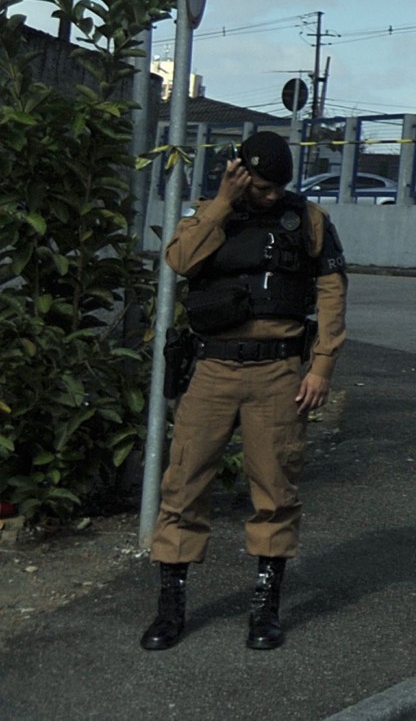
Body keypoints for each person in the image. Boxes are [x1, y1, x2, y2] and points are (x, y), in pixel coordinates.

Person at [142, 129, 347, 652]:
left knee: (276, 492)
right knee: (183, 484)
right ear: (237, 173)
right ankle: (170, 608)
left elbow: (331, 295)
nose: (272, 196)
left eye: (279, 186)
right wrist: (222, 203)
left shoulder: (309, 221)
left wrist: (321, 366)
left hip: (278, 374)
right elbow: (179, 260)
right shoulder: (211, 214)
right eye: (260, 186)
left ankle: (265, 608)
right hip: (212, 370)